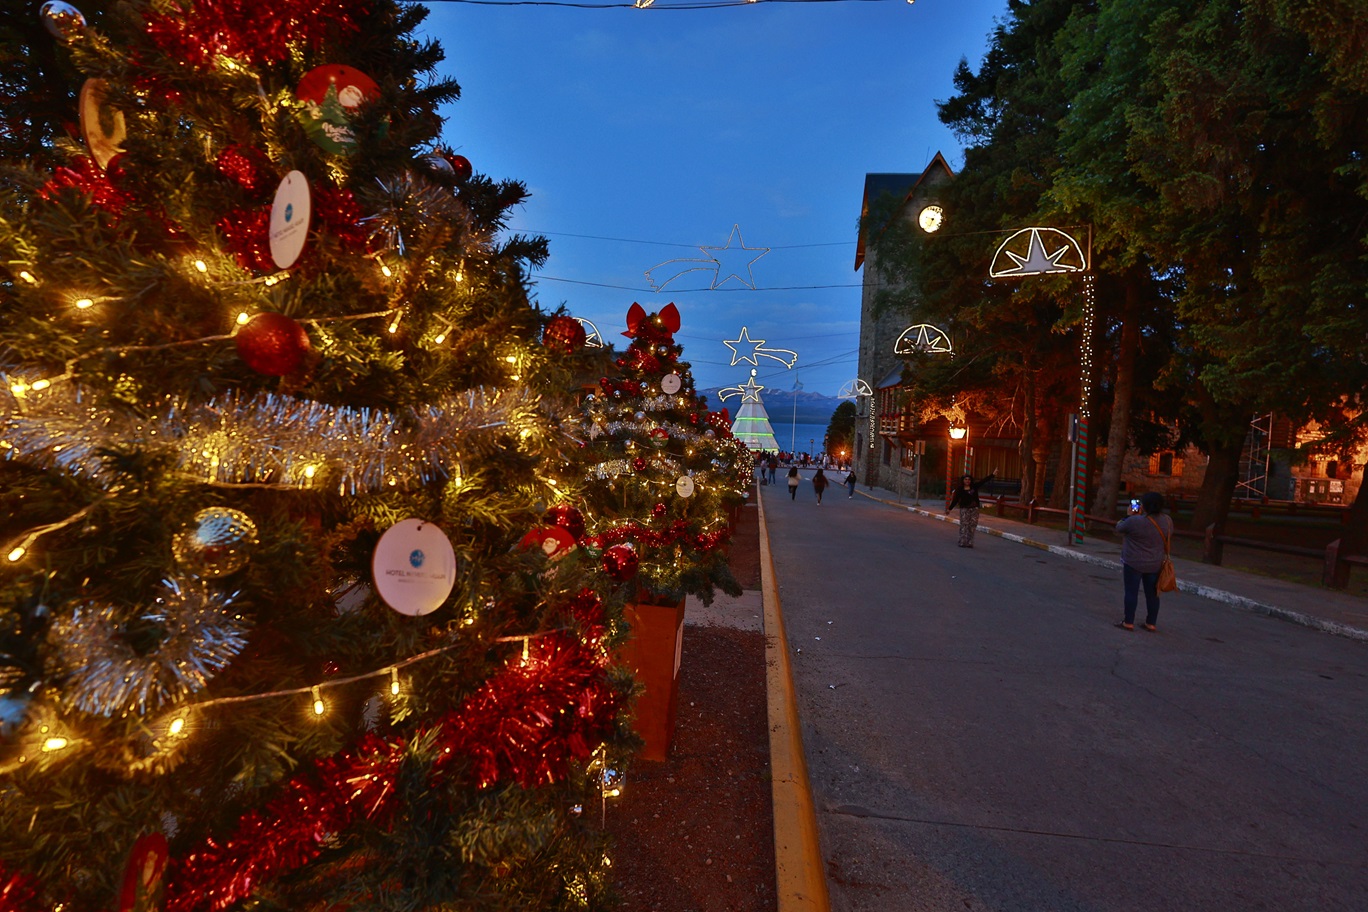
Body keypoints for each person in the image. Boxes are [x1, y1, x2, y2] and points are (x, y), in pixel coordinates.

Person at [1114, 491, 1174, 631]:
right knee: (1153, 594)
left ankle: (1128, 622)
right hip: (1155, 563)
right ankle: (1151, 623)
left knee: (1131, 592)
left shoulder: (1135, 521)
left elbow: (1119, 528)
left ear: (1144, 506)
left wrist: (1128, 516)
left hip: (1134, 562)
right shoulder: (1167, 520)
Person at [945, 470, 995, 548]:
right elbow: (955, 500)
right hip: (965, 509)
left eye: (969, 479)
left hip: (974, 509)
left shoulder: (974, 487)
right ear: (963, 480)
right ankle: (962, 541)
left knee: (972, 525)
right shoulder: (960, 489)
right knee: (964, 525)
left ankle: (970, 542)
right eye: (966, 479)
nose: (967, 481)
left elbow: (983, 481)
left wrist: (993, 474)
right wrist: (949, 509)